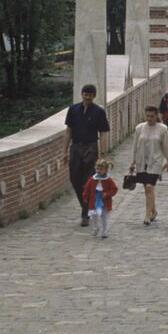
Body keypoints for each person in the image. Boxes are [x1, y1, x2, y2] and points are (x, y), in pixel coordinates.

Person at [65, 84, 110, 227]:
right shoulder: (73, 110)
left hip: (91, 147)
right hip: (75, 147)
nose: (88, 97)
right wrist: (64, 151)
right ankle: (86, 205)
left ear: (94, 96)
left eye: (90, 95)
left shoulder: (99, 112)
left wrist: (103, 153)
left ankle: (85, 214)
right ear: (82, 94)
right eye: (86, 94)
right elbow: (68, 131)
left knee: (88, 181)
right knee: (74, 179)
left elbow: (103, 133)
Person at [129, 106, 168, 226]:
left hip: (155, 162)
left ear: (156, 116)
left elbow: (166, 147)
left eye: (152, 116)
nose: (149, 118)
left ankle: (147, 215)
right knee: (147, 189)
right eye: (147, 116)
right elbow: (135, 146)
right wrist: (132, 162)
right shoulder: (139, 128)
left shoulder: (162, 129)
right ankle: (153, 211)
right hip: (141, 162)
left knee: (149, 187)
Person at [84, 158, 117, 239]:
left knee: (104, 216)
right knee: (94, 214)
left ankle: (104, 231)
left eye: (101, 169)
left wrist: (107, 194)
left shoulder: (108, 180)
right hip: (94, 200)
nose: (98, 171)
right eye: (97, 169)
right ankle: (95, 227)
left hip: (104, 201)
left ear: (105, 170)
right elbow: (87, 188)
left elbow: (114, 189)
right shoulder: (93, 179)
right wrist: (85, 196)